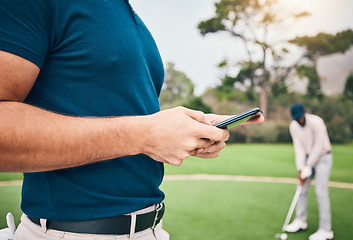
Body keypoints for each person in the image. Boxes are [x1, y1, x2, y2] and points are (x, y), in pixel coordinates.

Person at [0, 1, 263, 240]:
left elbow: (120, 113)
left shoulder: (127, 14)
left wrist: (187, 127)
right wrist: (145, 135)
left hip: (151, 229)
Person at [285, 103, 333, 240]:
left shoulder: (317, 122)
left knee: (321, 192)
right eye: (296, 118)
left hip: (323, 156)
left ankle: (326, 230)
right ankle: (300, 221)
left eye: (300, 117)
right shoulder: (293, 126)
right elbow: (298, 147)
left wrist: (308, 165)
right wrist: (301, 168)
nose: (299, 120)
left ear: (304, 114)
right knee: (301, 189)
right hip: (306, 158)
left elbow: (319, 145)